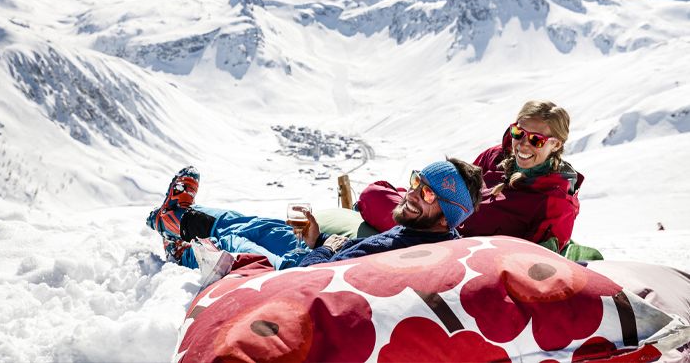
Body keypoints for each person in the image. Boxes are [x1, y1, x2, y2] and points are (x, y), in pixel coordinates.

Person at [146, 158, 483, 270]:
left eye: (426, 193)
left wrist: (324, 249)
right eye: (416, 182)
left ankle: (178, 228)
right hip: (326, 253)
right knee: (266, 227)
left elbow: (309, 275)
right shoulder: (433, 236)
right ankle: (180, 229)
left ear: (447, 217)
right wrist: (320, 239)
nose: (410, 194)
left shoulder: (398, 247)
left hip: (303, 269)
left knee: (246, 238)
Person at [359, 100, 583, 252]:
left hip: (459, 249)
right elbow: (460, 186)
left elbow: (537, 261)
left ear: (555, 145)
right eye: (518, 133)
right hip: (440, 216)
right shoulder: (496, 156)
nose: (523, 144)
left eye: (535, 140)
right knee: (375, 193)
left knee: (380, 203)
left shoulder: (556, 202)